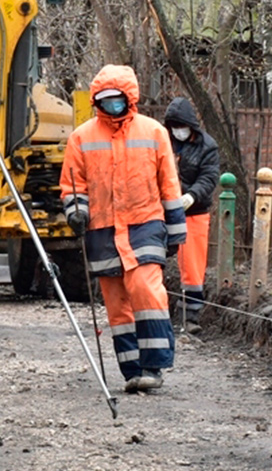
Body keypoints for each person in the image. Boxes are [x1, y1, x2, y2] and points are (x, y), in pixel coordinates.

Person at [60, 64, 187, 393]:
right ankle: (132, 371)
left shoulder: (153, 132)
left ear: (129, 97)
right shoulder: (81, 137)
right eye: (105, 99)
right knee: (117, 304)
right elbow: (73, 185)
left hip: (145, 224)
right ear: (96, 100)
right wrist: (76, 212)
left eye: (116, 98)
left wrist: (176, 231)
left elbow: (169, 185)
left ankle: (154, 366)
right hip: (102, 231)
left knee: (145, 289)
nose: (111, 104)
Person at [163, 97, 220, 334]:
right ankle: (156, 312)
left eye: (181, 126)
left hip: (193, 211)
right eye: (174, 126)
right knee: (152, 260)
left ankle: (191, 316)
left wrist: (191, 196)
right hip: (160, 210)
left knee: (193, 268)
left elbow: (209, 177)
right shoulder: (162, 140)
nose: (178, 130)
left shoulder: (207, 146)